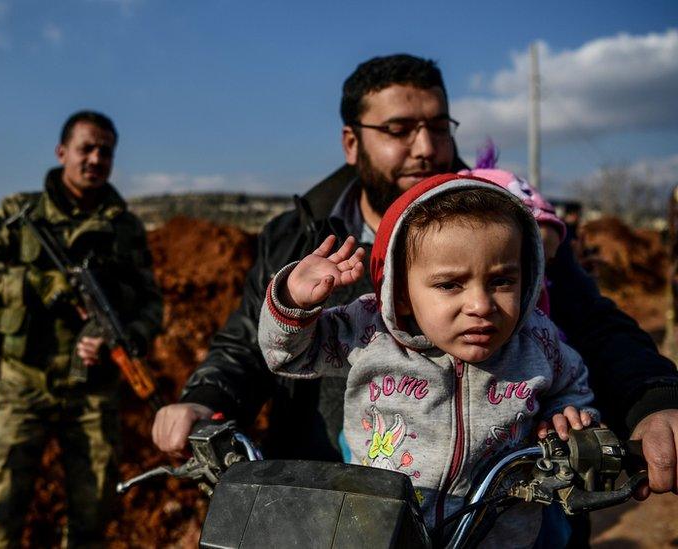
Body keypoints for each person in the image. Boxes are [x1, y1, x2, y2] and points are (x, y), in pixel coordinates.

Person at [152, 54, 678, 503]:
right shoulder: (298, 237)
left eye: (438, 126)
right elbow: (249, 340)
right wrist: (205, 397)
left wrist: (654, 398)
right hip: (325, 494)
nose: (426, 147)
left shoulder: (504, 227)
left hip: (491, 513)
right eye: (399, 130)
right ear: (351, 142)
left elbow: (594, 327)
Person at [258, 174, 598, 546]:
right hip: (379, 532)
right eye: (450, 285)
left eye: (502, 281)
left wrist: (566, 412)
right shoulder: (370, 331)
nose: (481, 305)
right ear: (400, 293)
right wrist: (294, 300)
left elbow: (572, 385)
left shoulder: (536, 340)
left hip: (497, 537)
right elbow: (287, 356)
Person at [0, 111, 163, 548]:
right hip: (23, 383)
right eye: (86, 148)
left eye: (105, 151)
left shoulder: (125, 229)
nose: (96, 159)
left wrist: (123, 338)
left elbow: (151, 303)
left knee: (94, 513)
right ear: (62, 152)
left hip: (93, 391)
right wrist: (33, 283)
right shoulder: (19, 213)